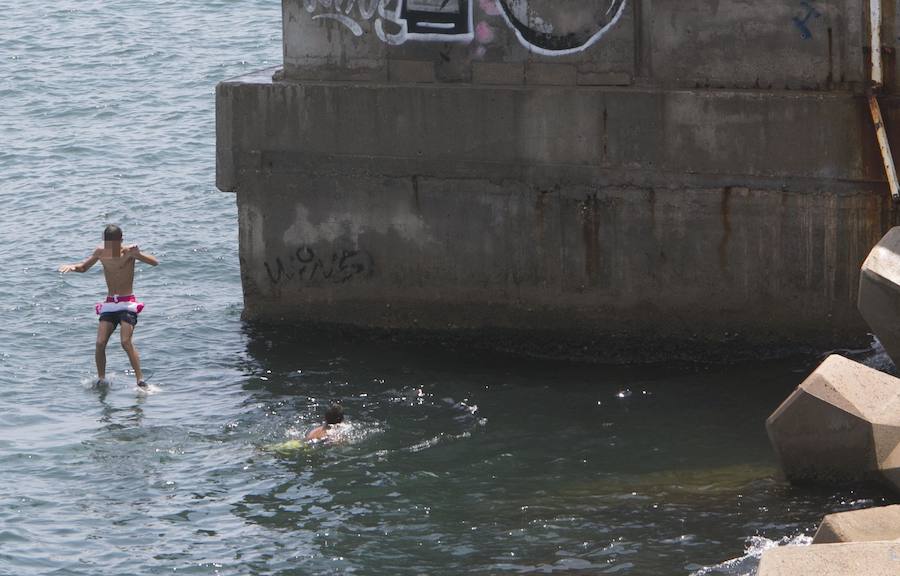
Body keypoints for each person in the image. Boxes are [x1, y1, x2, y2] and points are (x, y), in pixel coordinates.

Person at [59, 224, 159, 388]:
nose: (110, 248)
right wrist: (73, 267)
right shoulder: (100, 252)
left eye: (113, 245)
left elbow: (155, 263)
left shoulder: (129, 252)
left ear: (121, 240)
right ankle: (101, 379)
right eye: (107, 244)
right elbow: (84, 267)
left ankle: (140, 380)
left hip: (127, 304)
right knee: (99, 343)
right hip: (110, 304)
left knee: (125, 342)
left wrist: (138, 254)